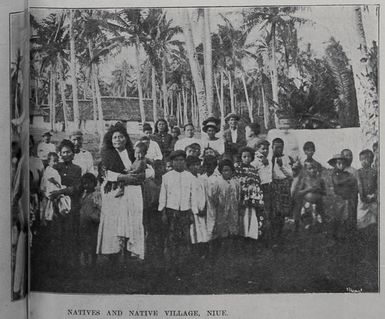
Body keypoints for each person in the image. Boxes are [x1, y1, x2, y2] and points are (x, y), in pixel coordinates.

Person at [97, 124, 152, 265]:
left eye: (121, 137)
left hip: (132, 193)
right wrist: (123, 177)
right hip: (114, 193)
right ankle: (113, 256)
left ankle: (130, 255)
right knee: (114, 224)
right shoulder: (106, 155)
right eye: (115, 137)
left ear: (126, 139)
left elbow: (150, 169)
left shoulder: (135, 153)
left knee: (132, 223)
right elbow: (105, 174)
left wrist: (142, 175)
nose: (118, 140)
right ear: (110, 139)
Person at [158, 150, 199, 275]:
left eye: (182, 160)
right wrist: (163, 212)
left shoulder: (190, 177)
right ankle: (171, 266)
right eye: (176, 160)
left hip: (185, 212)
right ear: (172, 162)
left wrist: (193, 212)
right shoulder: (167, 177)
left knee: (185, 239)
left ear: (185, 162)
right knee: (171, 240)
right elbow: (163, 196)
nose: (179, 163)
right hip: (171, 211)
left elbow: (193, 196)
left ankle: (183, 266)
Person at [48, 140, 82, 268]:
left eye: (68, 152)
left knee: (71, 233)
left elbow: (77, 188)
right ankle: (58, 264)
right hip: (57, 205)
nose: (65, 154)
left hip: (72, 205)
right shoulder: (56, 167)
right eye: (63, 152)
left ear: (73, 154)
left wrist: (61, 191)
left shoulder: (77, 169)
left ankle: (72, 264)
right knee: (58, 233)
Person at [208, 159, 241, 258]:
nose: (227, 173)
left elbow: (238, 196)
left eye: (229, 170)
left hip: (233, 209)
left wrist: (236, 206)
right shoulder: (217, 183)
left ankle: (230, 252)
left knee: (232, 229)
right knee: (221, 230)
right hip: (221, 210)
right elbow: (212, 196)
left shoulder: (236, 182)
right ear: (221, 172)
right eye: (225, 170)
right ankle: (219, 253)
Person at [234, 147, 264, 247]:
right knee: (241, 217)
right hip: (241, 197)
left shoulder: (253, 170)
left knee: (250, 216)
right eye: (244, 157)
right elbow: (235, 181)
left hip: (251, 198)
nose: (246, 159)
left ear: (251, 158)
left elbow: (257, 183)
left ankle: (250, 237)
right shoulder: (237, 168)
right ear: (241, 157)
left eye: (249, 157)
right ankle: (240, 237)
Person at [328, 153, 358, 240]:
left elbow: (353, 181)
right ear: (335, 164)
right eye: (338, 163)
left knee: (346, 215)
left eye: (342, 163)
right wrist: (347, 180)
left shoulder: (347, 174)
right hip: (338, 198)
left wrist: (348, 180)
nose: (341, 165)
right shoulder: (335, 173)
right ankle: (335, 234)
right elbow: (337, 182)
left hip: (347, 197)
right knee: (338, 215)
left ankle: (346, 234)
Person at [270, 138, 293, 247]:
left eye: (281, 147)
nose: (279, 149)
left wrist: (281, 166)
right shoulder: (269, 158)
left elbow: (290, 175)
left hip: (283, 185)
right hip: (273, 185)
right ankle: (273, 236)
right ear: (272, 147)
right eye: (276, 147)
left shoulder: (285, 159)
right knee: (274, 211)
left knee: (282, 212)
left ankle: (279, 236)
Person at [40, 152, 71, 223]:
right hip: (51, 188)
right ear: (49, 162)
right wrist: (57, 183)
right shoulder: (49, 170)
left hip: (54, 188)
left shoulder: (54, 170)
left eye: (57, 161)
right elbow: (50, 178)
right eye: (54, 161)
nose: (56, 163)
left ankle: (62, 209)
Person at [186, 156, 208, 257]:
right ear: (189, 166)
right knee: (193, 233)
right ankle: (193, 255)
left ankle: (202, 254)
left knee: (202, 233)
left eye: (198, 164)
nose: (197, 167)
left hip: (202, 209)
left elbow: (204, 194)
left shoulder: (201, 178)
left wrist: (204, 207)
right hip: (193, 211)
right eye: (194, 165)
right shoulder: (188, 178)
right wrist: (192, 210)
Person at [296, 161, 326, 231]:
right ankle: (307, 228)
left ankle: (319, 228)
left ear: (317, 169)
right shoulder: (304, 180)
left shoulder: (320, 180)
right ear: (306, 170)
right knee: (307, 222)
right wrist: (308, 190)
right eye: (310, 168)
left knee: (319, 221)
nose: (312, 170)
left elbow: (325, 192)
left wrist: (319, 190)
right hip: (307, 204)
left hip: (318, 203)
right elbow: (299, 193)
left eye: (314, 168)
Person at [79, 173, 101, 267]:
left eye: (88, 183)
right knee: (85, 242)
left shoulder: (96, 195)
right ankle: (86, 261)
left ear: (94, 183)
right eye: (84, 184)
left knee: (93, 243)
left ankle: (93, 263)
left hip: (92, 223)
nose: (86, 186)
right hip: (84, 222)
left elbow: (99, 207)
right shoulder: (84, 194)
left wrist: (94, 217)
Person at [356, 149, 377, 230]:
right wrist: (362, 196)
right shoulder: (359, 172)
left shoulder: (375, 172)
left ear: (371, 160)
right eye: (361, 159)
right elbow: (359, 185)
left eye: (366, 159)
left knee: (373, 217)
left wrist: (374, 195)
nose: (363, 161)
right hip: (362, 198)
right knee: (361, 217)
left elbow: (376, 185)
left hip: (372, 197)